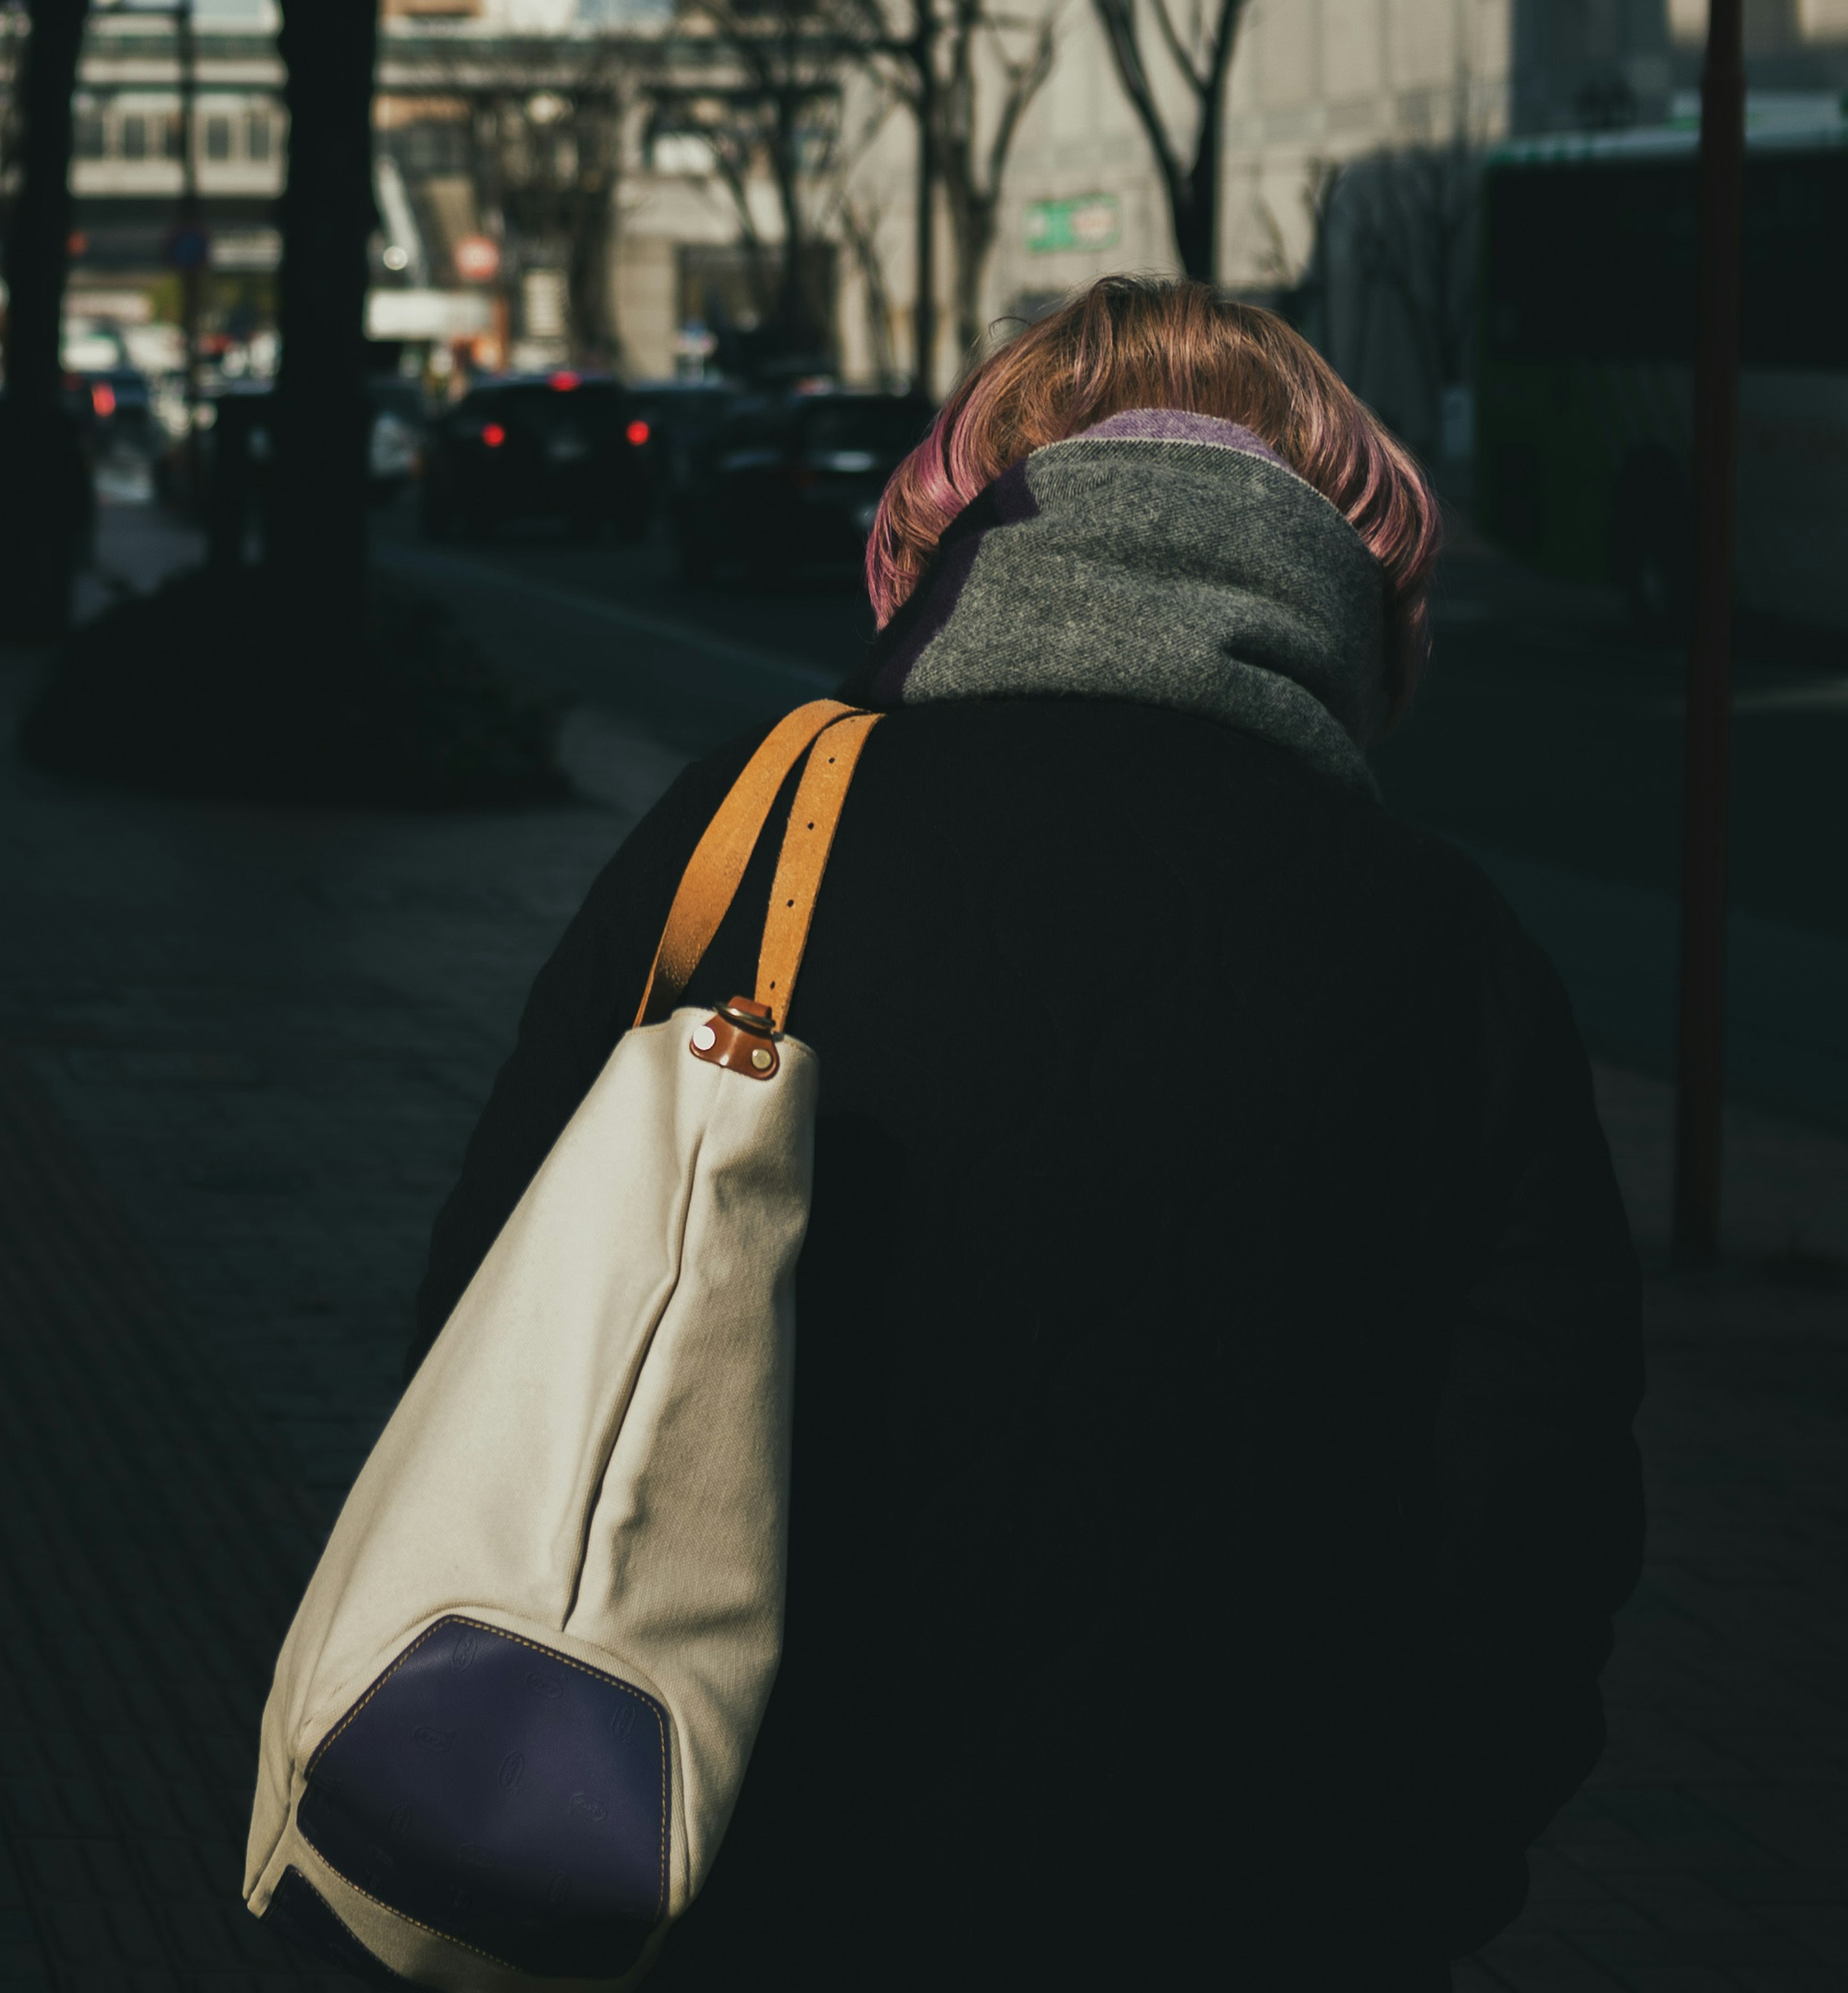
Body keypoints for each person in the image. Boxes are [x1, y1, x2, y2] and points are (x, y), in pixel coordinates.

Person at [404, 278, 1644, 1992]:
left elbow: (490, 1311)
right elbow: (1528, 1519)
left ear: (943, 532)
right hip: (1249, 1902)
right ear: (1361, 580)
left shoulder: (757, 831)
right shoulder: (1447, 949)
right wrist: (1410, 1884)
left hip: (716, 1858)